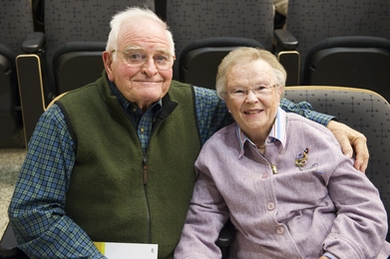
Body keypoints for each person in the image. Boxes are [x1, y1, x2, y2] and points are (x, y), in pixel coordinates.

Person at [8, 7, 368, 259]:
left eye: (161, 58)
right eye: (135, 56)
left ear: (172, 64)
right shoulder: (65, 117)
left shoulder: (197, 104)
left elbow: (255, 105)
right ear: (109, 61)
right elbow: (32, 211)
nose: (150, 69)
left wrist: (326, 122)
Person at [174, 47, 390, 258]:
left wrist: (336, 255)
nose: (251, 99)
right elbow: (200, 226)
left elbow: (364, 210)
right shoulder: (215, 154)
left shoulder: (317, 136)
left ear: (278, 92)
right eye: (238, 91)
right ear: (226, 101)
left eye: (261, 88)